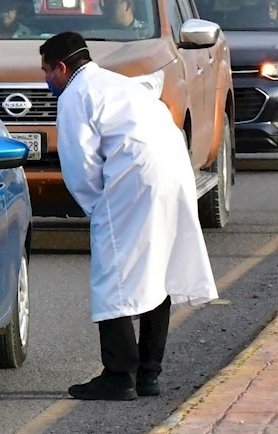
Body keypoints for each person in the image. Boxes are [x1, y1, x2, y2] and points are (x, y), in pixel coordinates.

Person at [40, 31, 218, 401]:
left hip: (137, 178)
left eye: (46, 72)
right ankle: (149, 374)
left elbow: (80, 165)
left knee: (114, 273)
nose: (46, 81)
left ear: (61, 67)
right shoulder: (117, 84)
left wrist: (98, 208)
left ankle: (119, 375)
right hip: (174, 171)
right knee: (158, 269)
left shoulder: (75, 95)